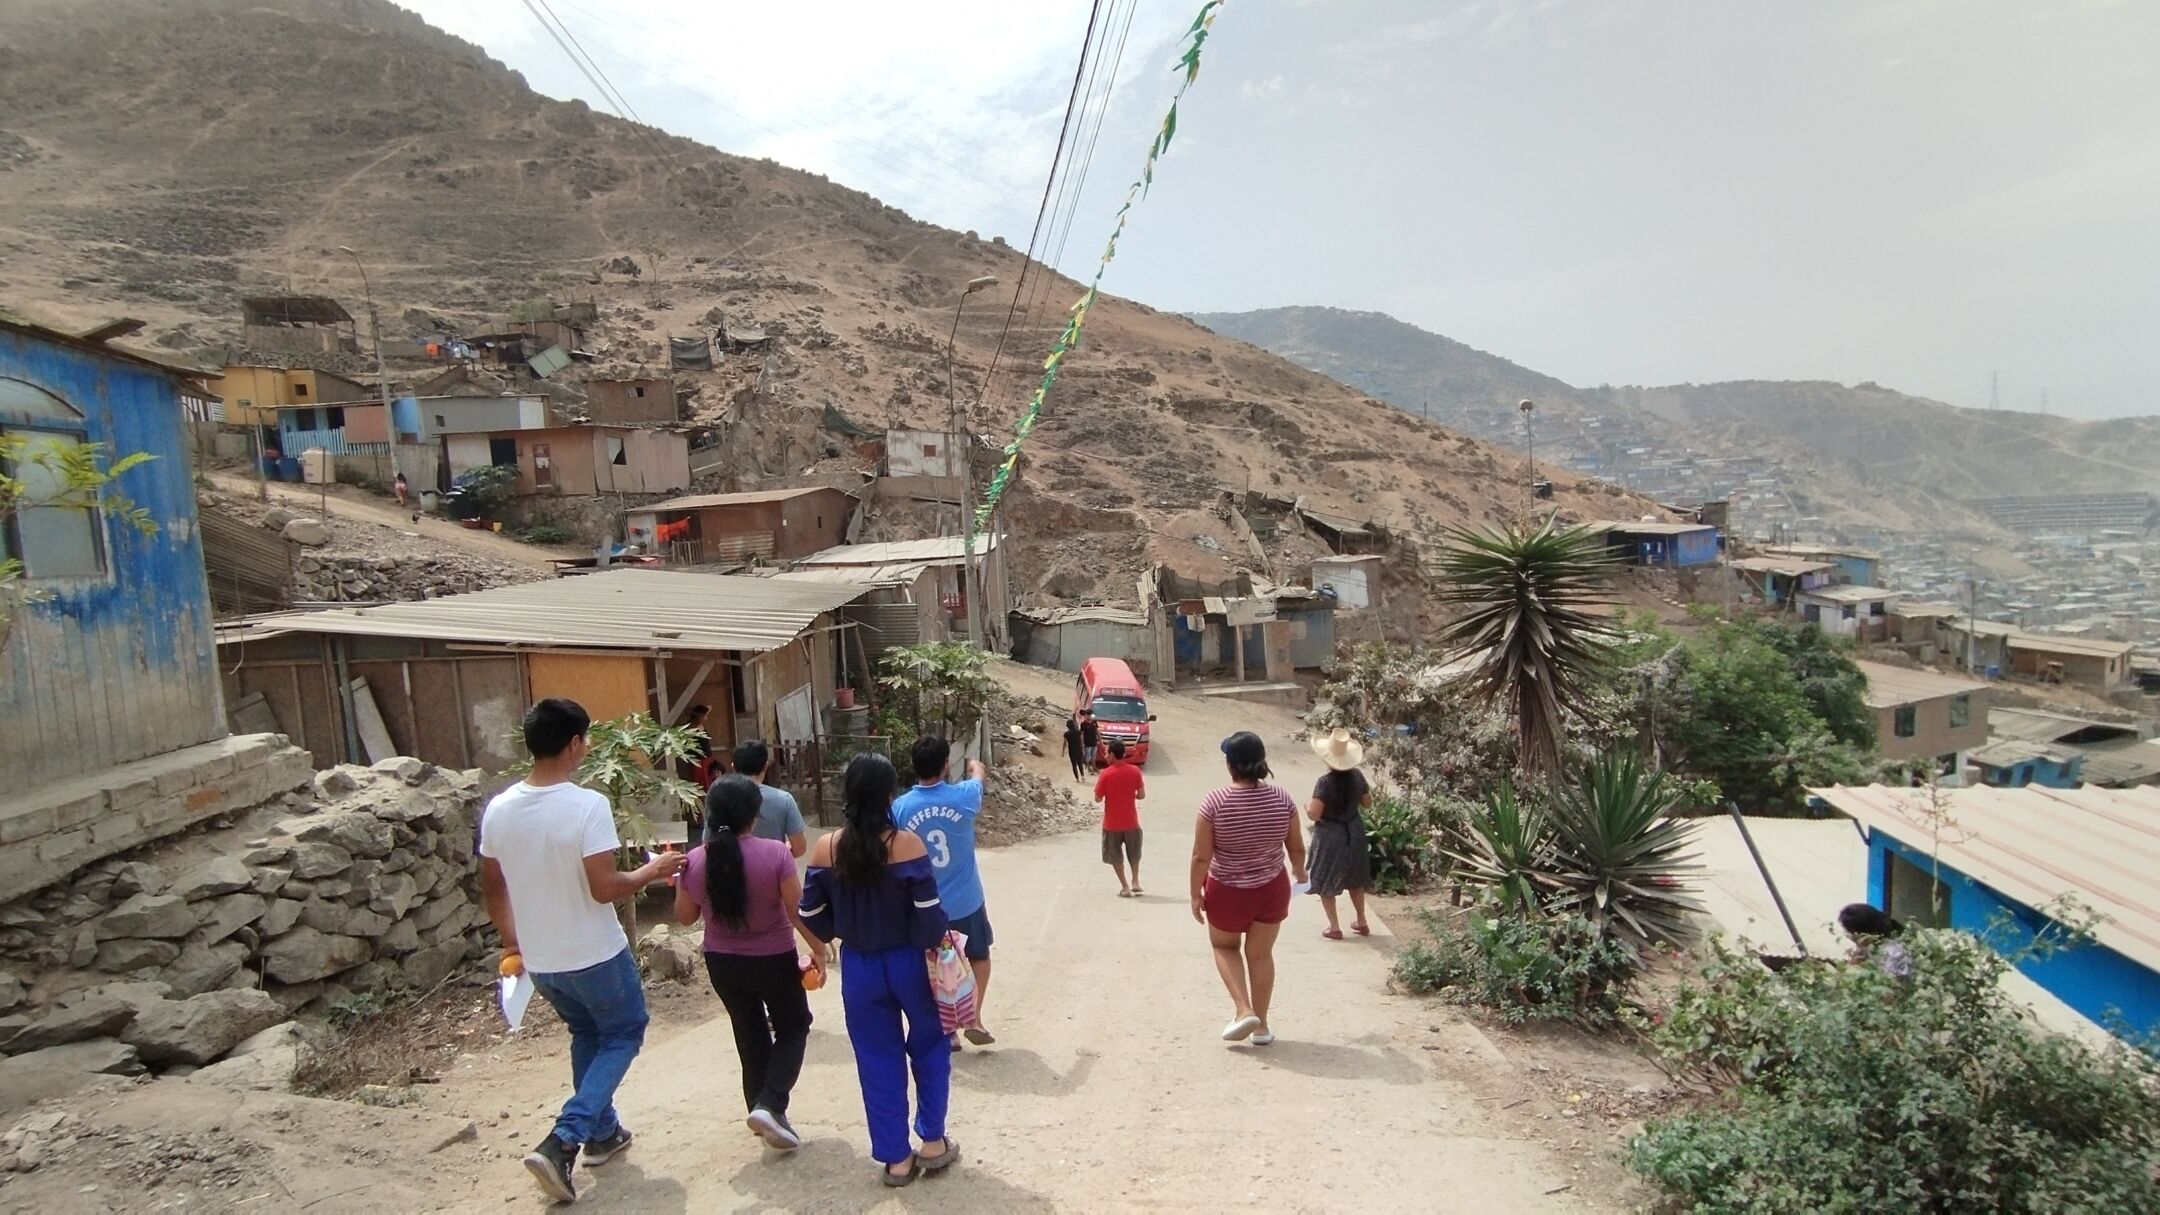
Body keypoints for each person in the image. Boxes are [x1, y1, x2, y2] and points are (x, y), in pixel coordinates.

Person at [479, 698, 686, 1204]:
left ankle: (602, 1132)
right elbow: (605, 887)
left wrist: (512, 941)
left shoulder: (500, 808)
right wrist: (651, 872)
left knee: (586, 1034)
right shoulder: (586, 806)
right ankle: (563, 1139)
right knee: (624, 1030)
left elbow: (492, 885)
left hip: (543, 961)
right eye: (585, 739)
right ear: (573, 744)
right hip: (593, 951)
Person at [800, 754, 961, 1187]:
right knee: (930, 1045)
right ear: (889, 794)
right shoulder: (907, 844)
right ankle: (932, 1141)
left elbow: (810, 912)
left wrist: (841, 930)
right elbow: (929, 917)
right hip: (911, 960)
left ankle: (895, 1159)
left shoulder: (826, 847)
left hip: (860, 966)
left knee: (876, 1058)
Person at [675, 775, 824, 1152]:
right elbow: (796, 909)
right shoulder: (775, 853)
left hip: (722, 963)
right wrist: (818, 948)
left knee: (750, 1034)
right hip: (773, 958)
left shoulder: (695, 859)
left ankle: (761, 1109)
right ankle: (771, 1104)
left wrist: (680, 882)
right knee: (794, 1026)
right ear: (754, 815)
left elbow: (685, 917)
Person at [1191, 730, 1306, 1046]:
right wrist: (1299, 870)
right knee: (1261, 954)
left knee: (1224, 946)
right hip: (1272, 889)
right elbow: (1295, 846)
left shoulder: (1215, 802)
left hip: (1228, 890)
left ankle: (1243, 1010)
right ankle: (1262, 1027)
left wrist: (1194, 894)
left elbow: (1202, 856)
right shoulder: (1282, 798)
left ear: (1230, 764)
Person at [890, 736, 995, 1047]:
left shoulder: (901, 808)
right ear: (945, 765)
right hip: (966, 900)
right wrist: (975, 768)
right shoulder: (964, 796)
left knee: (933, 967)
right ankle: (973, 1016)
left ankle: (946, 1029)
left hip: (924, 904)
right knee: (979, 957)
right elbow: (979, 780)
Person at [1306, 728, 1375, 940]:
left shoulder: (1325, 783)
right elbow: (1367, 802)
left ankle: (1334, 926)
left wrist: (1306, 809)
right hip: (1353, 830)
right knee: (1355, 878)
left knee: (1326, 879)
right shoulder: (1357, 776)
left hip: (1330, 834)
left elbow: (1315, 814)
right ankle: (1361, 920)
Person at [726, 739, 807, 858]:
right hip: (773, 871)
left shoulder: (719, 798)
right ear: (765, 766)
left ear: (733, 767)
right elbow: (799, 848)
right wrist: (781, 851)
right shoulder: (784, 800)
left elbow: (708, 843)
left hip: (730, 871)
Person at [1094, 738, 1146, 897]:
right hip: (1131, 821)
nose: (1105, 754)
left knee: (1115, 856)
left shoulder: (1105, 774)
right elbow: (1141, 795)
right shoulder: (1135, 771)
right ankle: (1135, 881)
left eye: (1107, 752)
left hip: (1112, 823)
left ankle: (1125, 886)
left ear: (1112, 755)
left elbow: (1097, 798)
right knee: (1134, 853)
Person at [1838, 902, 1914, 978]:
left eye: (1851, 933)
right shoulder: (1866, 949)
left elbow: (1893, 984)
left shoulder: (1894, 953)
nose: (1850, 937)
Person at [1063, 715, 1087, 783]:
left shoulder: (1066, 734)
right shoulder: (1078, 732)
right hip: (1079, 749)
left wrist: (1063, 751)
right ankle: (1082, 776)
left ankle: (1077, 778)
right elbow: (1082, 740)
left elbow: (1064, 743)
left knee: (1074, 765)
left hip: (1072, 750)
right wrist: (1083, 747)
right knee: (1080, 763)